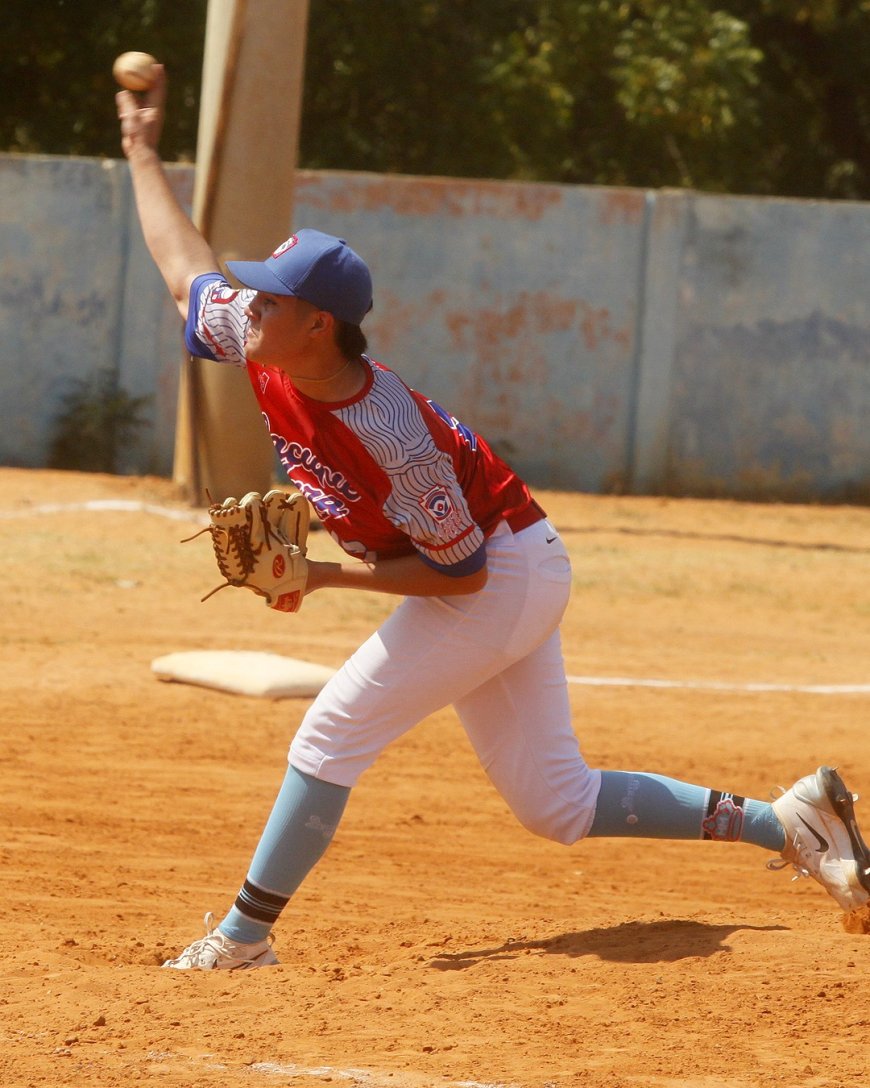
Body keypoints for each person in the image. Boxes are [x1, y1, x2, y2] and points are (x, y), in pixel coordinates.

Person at [117, 68, 870, 971]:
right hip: (506, 566)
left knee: (329, 733)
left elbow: (461, 577)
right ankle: (789, 821)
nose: (247, 304)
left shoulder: (388, 431)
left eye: (270, 297)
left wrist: (319, 576)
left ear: (319, 326)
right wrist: (142, 150)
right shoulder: (266, 339)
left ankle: (243, 937)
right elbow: (180, 272)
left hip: (497, 574)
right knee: (555, 804)